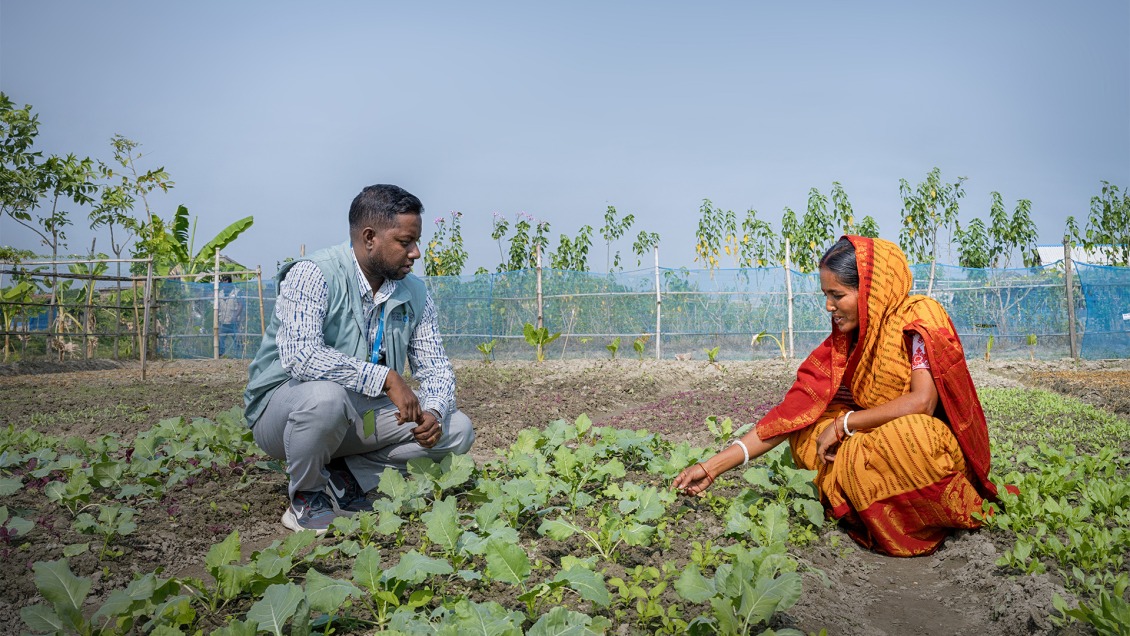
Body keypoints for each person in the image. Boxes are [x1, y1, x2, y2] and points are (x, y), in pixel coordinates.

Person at [673, 235, 999, 557]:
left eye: (837, 295)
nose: (829, 306)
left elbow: (922, 403)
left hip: (920, 444)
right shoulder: (844, 343)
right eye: (826, 295)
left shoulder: (919, 317)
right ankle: (864, 499)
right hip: (868, 441)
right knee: (805, 432)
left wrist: (846, 424)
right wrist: (713, 467)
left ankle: (893, 505)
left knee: (912, 436)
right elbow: (789, 415)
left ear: (870, 292)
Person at [244, 184, 475, 534]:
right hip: (286, 414)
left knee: (457, 429)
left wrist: (434, 412)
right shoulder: (313, 274)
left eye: (416, 242)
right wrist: (385, 378)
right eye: (405, 242)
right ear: (370, 237)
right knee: (326, 398)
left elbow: (437, 367)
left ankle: (345, 478)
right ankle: (306, 498)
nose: (416, 253)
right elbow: (301, 356)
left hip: (360, 415)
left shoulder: (414, 292)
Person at [217, 275, 244, 357]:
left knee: (237, 340)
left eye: (226, 285)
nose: (224, 287)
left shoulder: (237, 292)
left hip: (233, 322)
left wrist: (235, 316)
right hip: (223, 321)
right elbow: (217, 306)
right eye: (223, 285)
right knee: (221, 340)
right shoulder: (220, 293)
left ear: (230, 284)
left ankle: (239, 356)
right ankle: (220, 356)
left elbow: (241, 305)